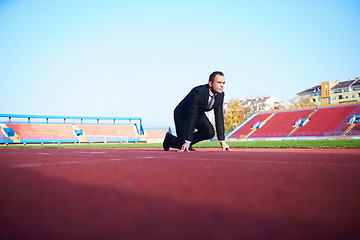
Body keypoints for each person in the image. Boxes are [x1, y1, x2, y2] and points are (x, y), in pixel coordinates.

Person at [163, 71, 231, 152]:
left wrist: (222, 141)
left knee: (209, 132)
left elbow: (219, 116)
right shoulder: (198, 92)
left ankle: (183, 142)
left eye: (223, 83)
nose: (222, 85)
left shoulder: (220, 95)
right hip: (182, 114)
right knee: (182, 145)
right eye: (219, 82)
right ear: (210, 83)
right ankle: (169, 139)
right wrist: (187, 141)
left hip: (198, 113)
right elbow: (192, 116)